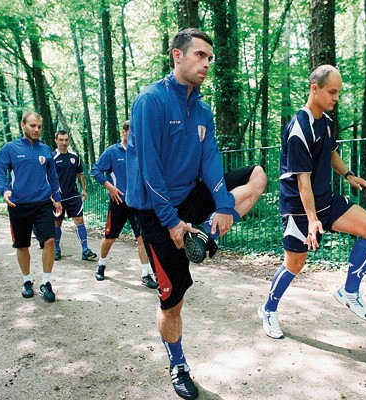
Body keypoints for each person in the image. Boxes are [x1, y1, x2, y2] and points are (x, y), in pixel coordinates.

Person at [126, 28, 267, 400]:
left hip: (191, 196)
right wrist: (171, 221)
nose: (207, 63)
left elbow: (210, 158)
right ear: (177, 56)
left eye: (210, 58)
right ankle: (178, 363)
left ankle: (205, 235)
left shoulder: (202, 108)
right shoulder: (150, 101)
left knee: (257, 176)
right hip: (155, 211)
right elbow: (148, 168)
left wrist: (222, 204)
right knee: (172, 302)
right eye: (200, 55)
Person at [257, 65, 366, 340]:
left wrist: (349, 175)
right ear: (315, 89)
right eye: (332, 92)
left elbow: (331, 154)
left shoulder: (326, 123)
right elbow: (302, 182)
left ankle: (349, 291)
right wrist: (312, 219)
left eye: (338, 93)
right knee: (294, 265)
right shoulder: (298, 129)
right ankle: (268, 309)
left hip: (326, 201)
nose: (335, 98)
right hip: (300, 210)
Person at [0, 112, 63, 303]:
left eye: (39, 126)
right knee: (23, 244)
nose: (36, 129)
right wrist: (4, 191)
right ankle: (27, 281)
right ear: (22, 125)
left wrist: (57, 198)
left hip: (42, 202)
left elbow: (53, 176)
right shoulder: (10, 148)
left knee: (49, 240)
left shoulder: (45, 149)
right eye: (32, 125)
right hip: (18, 204)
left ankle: (46, 282)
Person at [90, 120, 157, 289]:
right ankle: (101, 266)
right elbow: (96, 170)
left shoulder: (140, 152)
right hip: (119, 202)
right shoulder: (112, 151)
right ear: (124, 132)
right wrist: (110, 187)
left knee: (142, 238)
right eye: (130, 131)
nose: (133, 135)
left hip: (138, 203)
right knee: (110, 237)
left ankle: (145, 274)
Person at [52, 130, 97, 262]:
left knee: (79, 221)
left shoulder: (74, 156)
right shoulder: (52, 157)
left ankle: (85, 250)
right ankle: (56, 249)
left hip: (73, 196)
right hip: (58, 198)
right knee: (57, 223)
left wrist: (83, 189)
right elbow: (47, 178)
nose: (64, 143)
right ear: (56, 141)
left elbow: (80, 173)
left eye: (66, 140)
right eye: (61, 140)